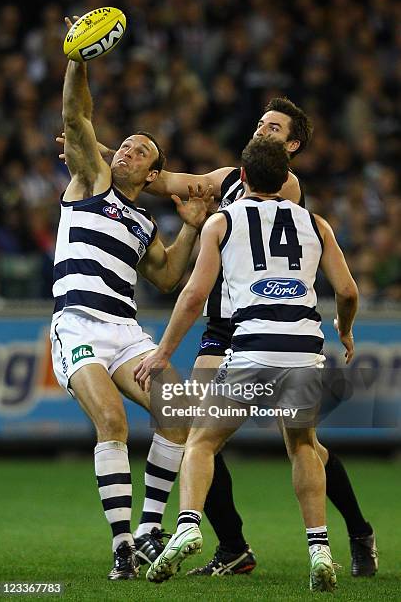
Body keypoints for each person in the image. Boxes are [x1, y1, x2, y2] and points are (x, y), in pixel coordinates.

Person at [57, 97, 378, 578]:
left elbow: (203, 276)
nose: (262, 130)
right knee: (194, 429)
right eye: (259, 123)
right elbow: (158, 180)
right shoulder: (230, 178)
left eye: (273, 128)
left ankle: (356, 528)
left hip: (260, 320)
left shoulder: (283, 187)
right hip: (224, 328)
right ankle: (232, 545)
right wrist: (98, 153)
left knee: (295, 444)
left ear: (292, 145)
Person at [134, 137, 359, 591]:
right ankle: (319, 549)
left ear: (241, 176)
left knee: (200, 441)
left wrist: (162, 352)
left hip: (251, 347)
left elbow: (195, 295)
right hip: (303, 349)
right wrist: (346, 329)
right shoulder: (316, 224)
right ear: (286, 180)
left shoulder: (222, 221)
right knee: (302, 446)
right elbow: (348, 291)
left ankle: (188, 525)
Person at [51, 30, 213, 581]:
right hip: (77, 325)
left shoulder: (143, 222)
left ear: (151, 176)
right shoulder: (89, 180)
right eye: (126, 143)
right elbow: (76, 118)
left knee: (180, 415)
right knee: (113, 422)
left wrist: (190, 233)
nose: (127, 149)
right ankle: (122, 546)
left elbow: (168, 277)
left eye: (141, 149)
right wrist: (78, 60)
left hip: (125, 330)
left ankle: (148, 530)